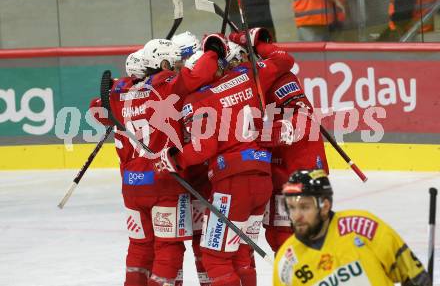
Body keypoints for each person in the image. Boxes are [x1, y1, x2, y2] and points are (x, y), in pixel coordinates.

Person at [156, 28, 294, 286]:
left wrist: (175, 159)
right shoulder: (246, 76)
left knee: (216, 259)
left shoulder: (197, 99)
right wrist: (253, 41)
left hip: (232, 184)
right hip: (262, 179)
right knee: (242, 254)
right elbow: (285, 60)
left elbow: (202, 149)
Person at [90, 37, 222, 286]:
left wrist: (120, 85)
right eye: (173, 64)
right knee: (168, 248)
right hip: (163, 181)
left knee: (140, 248)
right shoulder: (166, 87)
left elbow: (95, 108)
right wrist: (213, 52)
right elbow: (197, 75)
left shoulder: (122, 93)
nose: (176, 69)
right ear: (162, 64)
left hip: (131, 185)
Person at [273, 169, 431, 286]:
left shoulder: (364, 227)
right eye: (292, 207)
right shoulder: (286, 262)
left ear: (325, 206)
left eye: (305, 207)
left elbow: (415, 277)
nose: (297, 215)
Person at [260, 68, 329, 254]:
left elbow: (295, 124)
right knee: (276, 237)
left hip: (299, 179)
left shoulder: (298, 114)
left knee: (289, 239)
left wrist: (253, 134)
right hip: (283, 179)